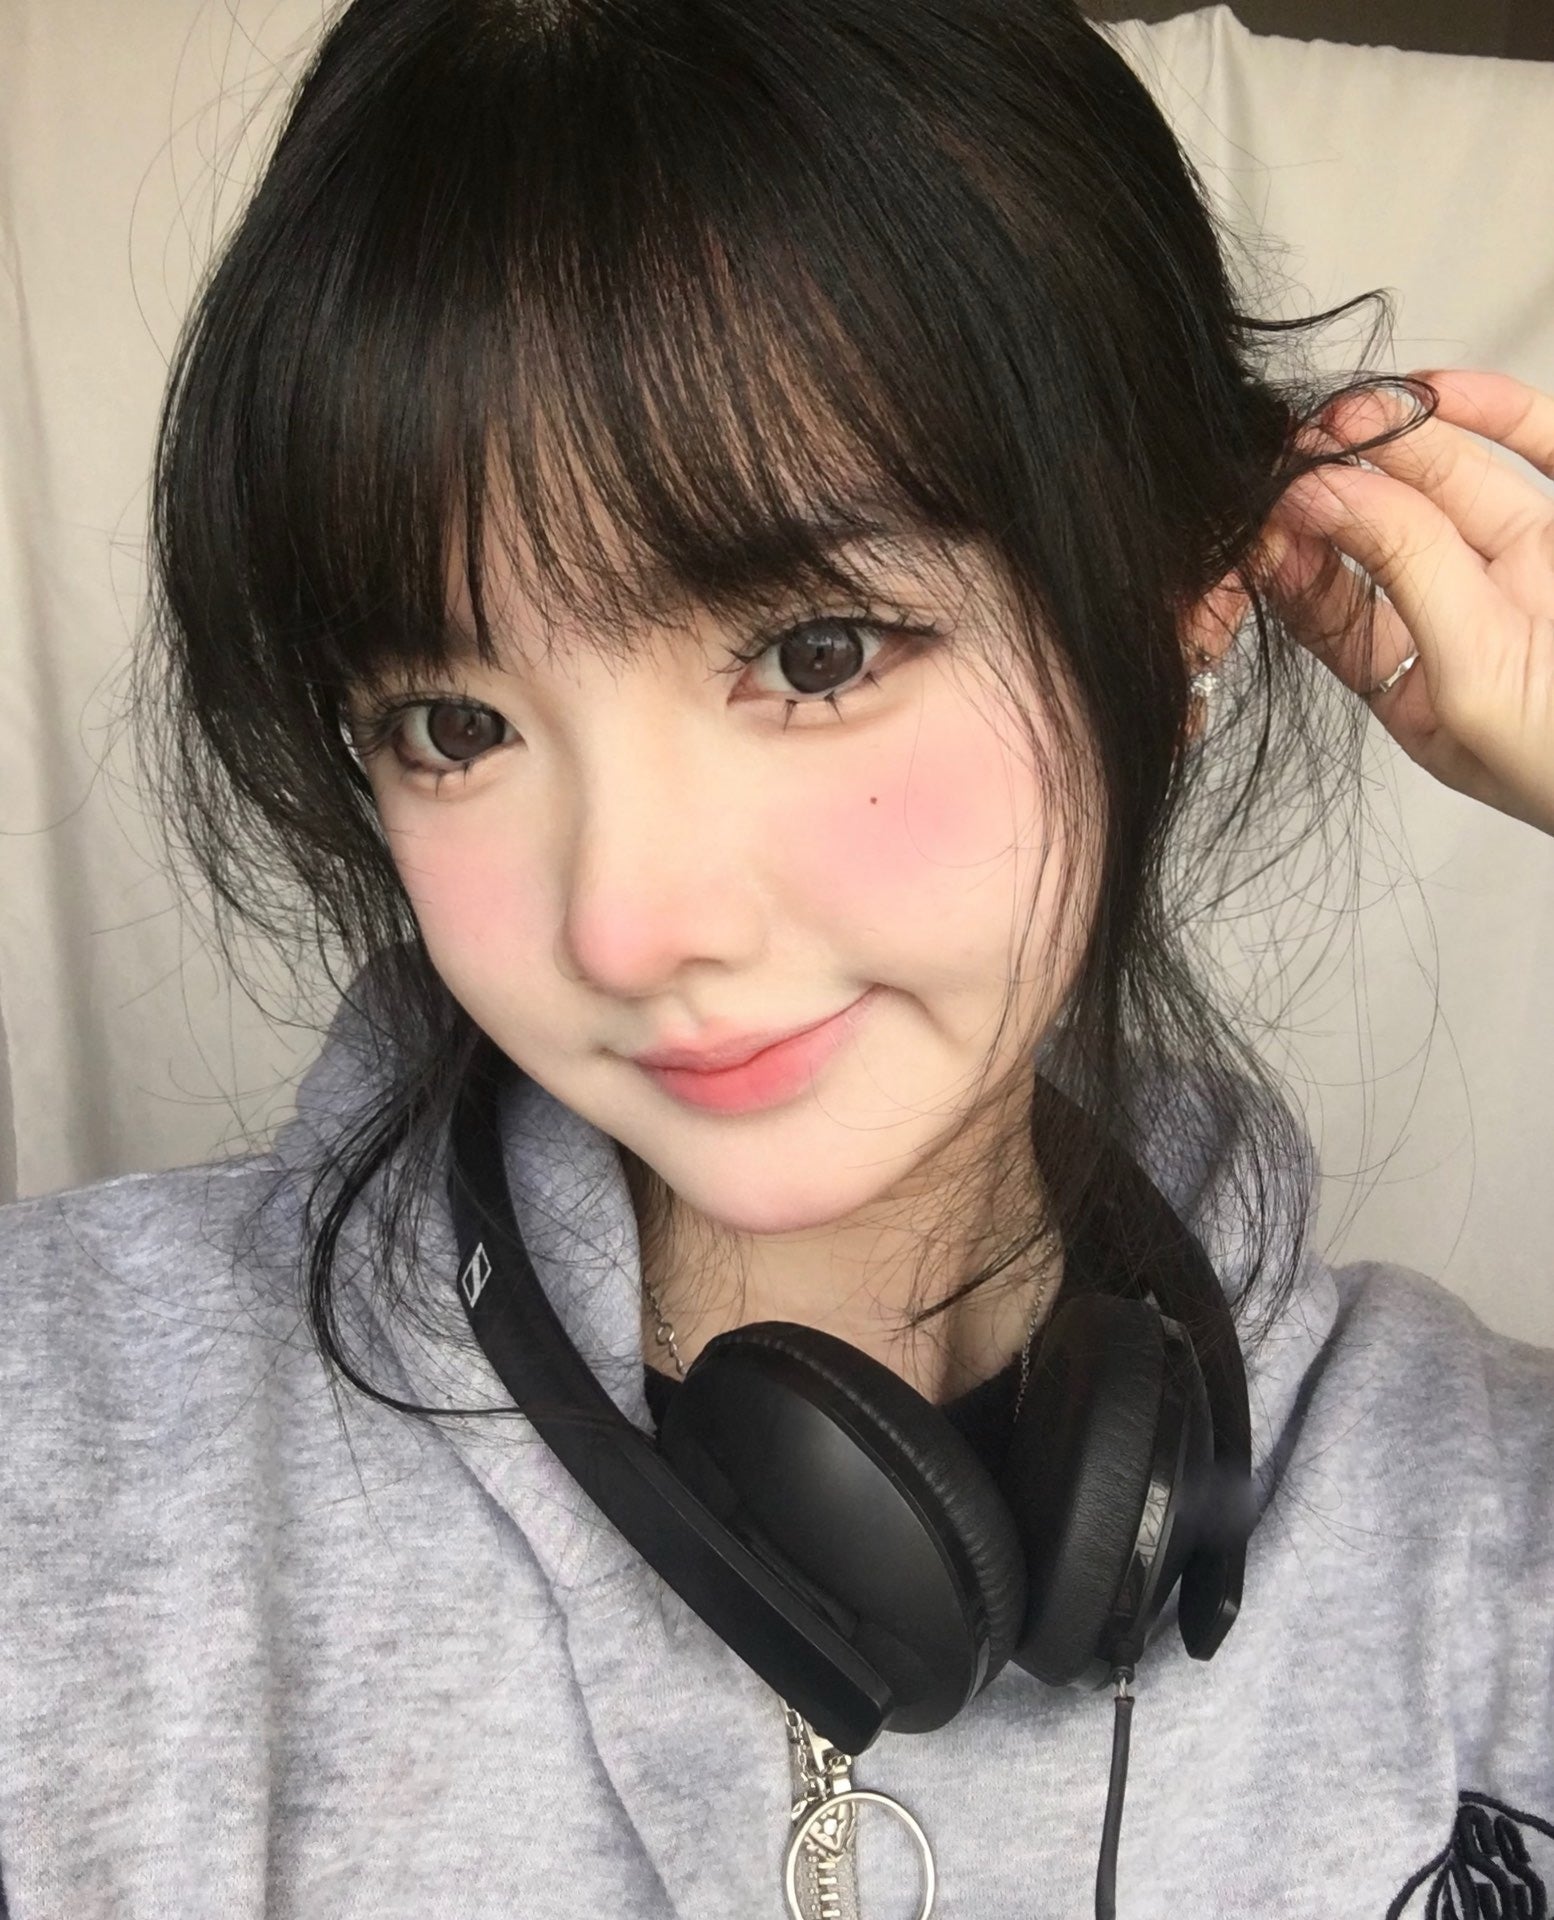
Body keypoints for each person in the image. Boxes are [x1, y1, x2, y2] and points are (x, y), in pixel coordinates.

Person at [1, 1, 1551, 1915]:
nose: (623, 926)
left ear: (1180, 602)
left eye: (816, 654)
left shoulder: (1484, 1525)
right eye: (452, 725)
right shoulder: (53, 1444)